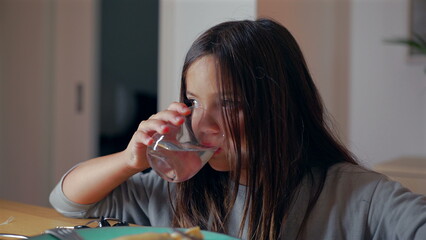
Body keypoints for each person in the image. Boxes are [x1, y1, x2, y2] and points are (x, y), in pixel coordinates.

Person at [50, 18, 426, 240]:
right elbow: (67, 201)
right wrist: (130, 160)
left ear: (281, 106)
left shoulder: (355, 195)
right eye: (194, 102)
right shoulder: (176, 190)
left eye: (229, 104)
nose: (202, 124)